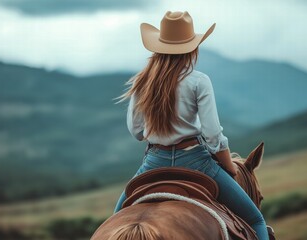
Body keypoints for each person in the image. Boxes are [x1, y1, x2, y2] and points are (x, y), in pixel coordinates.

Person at [114, 11, 268, 240]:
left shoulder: (142, 82)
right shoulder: (199, 81)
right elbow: (213, 136)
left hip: (154, 163)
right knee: (256, 220)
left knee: (116, 219)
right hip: (195, 161)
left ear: (159, 46)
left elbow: (136, 132)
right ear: (192, 48)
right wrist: (230, 166)